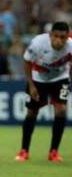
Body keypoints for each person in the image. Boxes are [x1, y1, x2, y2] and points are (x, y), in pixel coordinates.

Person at [15, 21, 72, 162]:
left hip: (60, 78)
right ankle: (24, 150)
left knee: (61, 110)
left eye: (63, 37)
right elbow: (27, 61)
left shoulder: (70, 46)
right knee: (32, 112)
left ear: (67, 37)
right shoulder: (38, 44)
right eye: (56, 36)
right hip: (38, 79)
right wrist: (32, 85)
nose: (59, 40)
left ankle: (54, 152)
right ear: (50, 35)